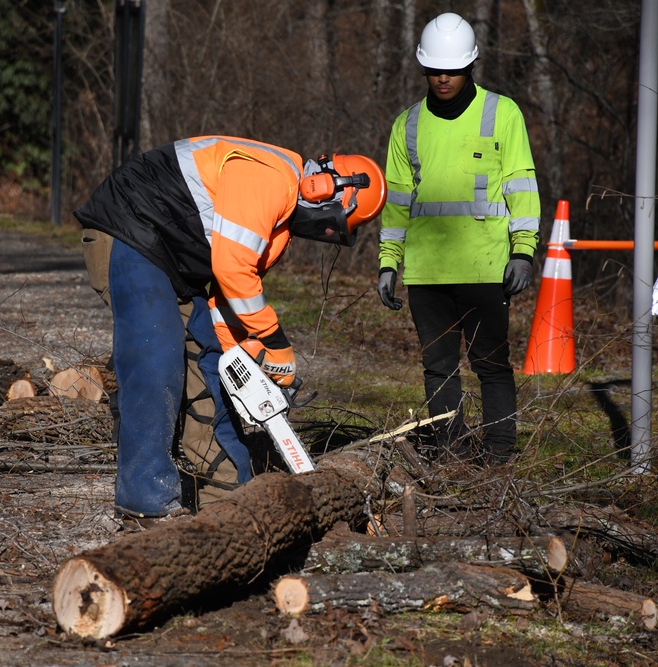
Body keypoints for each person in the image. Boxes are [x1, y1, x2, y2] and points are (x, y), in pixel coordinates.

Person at [75, 136, 386, 523]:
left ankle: (227, 502)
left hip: (171, 259)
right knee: (157, 354)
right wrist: (276, 346)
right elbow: (233, 271)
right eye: (329, 226)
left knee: (210, 365)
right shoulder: (271, 179)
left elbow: (227, 302)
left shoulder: (279, 226)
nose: (322, 233)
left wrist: (245, 356)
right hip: (129, 227)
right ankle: (145, 502)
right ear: (324, 191)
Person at [376, 13, 541, 464]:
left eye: (451, 69)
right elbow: (396, 202)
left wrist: (523, 252)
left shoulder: (502, 113)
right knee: (439, 369)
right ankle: (449, 453)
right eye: (434, 69)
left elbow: (521, 187)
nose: (442, 77)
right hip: (427, 271)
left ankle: (499, 454)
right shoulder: (407, 126)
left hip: (487, 268)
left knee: (490, 365)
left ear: (470, 65)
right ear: (424, 68)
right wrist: (389, 262)